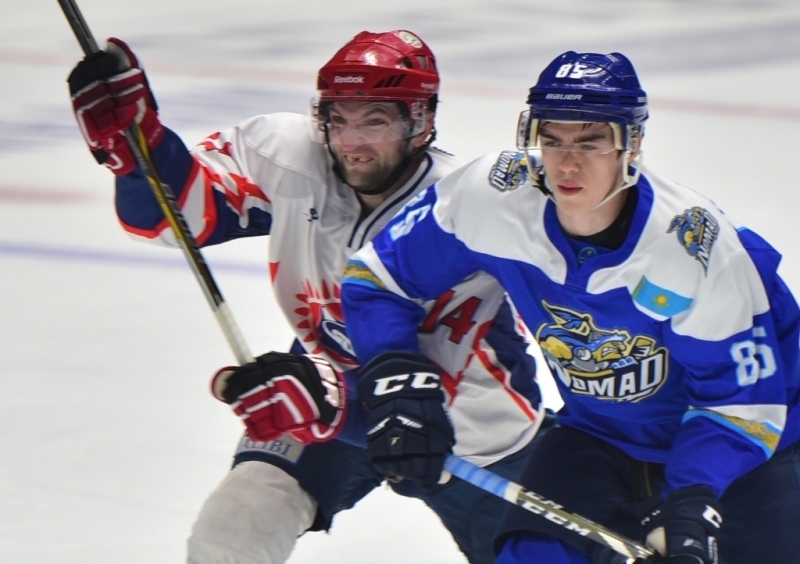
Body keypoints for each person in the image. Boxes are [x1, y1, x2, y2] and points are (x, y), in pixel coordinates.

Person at [66, 30, 551, 564]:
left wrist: (325, 395)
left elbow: (420, 384)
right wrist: (139, 149)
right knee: (233, 529)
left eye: (375, 121)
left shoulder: (462, 207)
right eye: (338, 119)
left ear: (422, 121)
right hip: (323, 389)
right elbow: (170, 217)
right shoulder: (291, 156)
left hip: (472, 430)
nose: (351, 142)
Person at [340, 50, 800, 563]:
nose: (568, 163)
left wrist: (691, 501)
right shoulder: (492, 199)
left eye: (590, 141)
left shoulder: (692, 248)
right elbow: (374, 277)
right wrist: (395, 378)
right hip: (601, 435)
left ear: (632, 143)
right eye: (553, 140)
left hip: (745, 447)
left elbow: (741, 406)